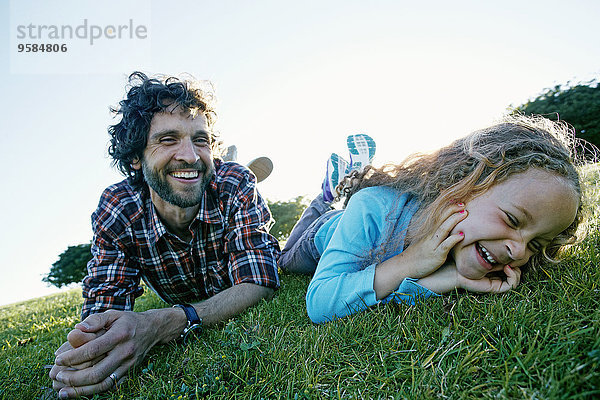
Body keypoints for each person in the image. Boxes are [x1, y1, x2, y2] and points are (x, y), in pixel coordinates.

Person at [49, 72, 280, 398]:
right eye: (168, 139)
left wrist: (167, 322)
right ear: (134, 157)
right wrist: (87, 348)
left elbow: (260, 280)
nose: (189, 154)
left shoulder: (233, 183)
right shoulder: (119, 208)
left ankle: (322, 198)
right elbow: (104, 307)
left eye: (200, 140)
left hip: (235, 253)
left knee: (294, 252)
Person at [279, 116, 588, 324]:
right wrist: (409, 262)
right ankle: (327, 194)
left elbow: (394, 293)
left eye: (535, 243)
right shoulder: (371, 207)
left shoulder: (464, 245)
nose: (519, 251)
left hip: (357, 223)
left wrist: (452, 278)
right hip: (324, 232)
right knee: (286, 260)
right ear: (463, 184)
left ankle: (346, 181)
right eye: (512, 220)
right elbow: (320, 304)